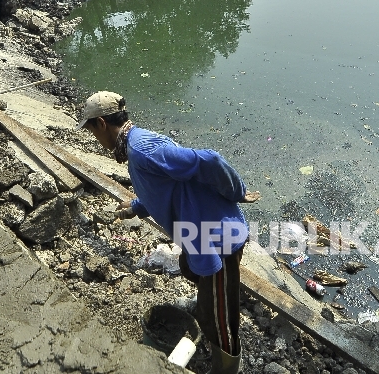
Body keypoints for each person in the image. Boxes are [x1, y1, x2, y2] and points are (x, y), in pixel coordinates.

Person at [78, 91, 250, 374]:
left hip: (217, 236)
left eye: (92, 130)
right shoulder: (135, 147)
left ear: (101, 124)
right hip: (198, 232)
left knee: (219, 320)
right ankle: (206, 307)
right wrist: (136, 207)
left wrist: (238, 192)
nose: (94, 138)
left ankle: (228, 367)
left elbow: (210, 160)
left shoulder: (142, 149)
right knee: (189, 268)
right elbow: (163, 188)